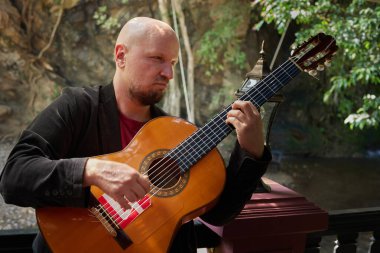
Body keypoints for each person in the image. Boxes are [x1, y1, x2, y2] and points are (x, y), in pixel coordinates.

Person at [0, 17, 271, 252]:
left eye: (173, 63)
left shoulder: (174, 132)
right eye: (157, 59)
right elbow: (14, 178)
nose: (169, 73)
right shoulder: (77, 107)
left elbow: (220, 212)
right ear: (121, 56)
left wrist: (250, 153)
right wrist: (89, 170)